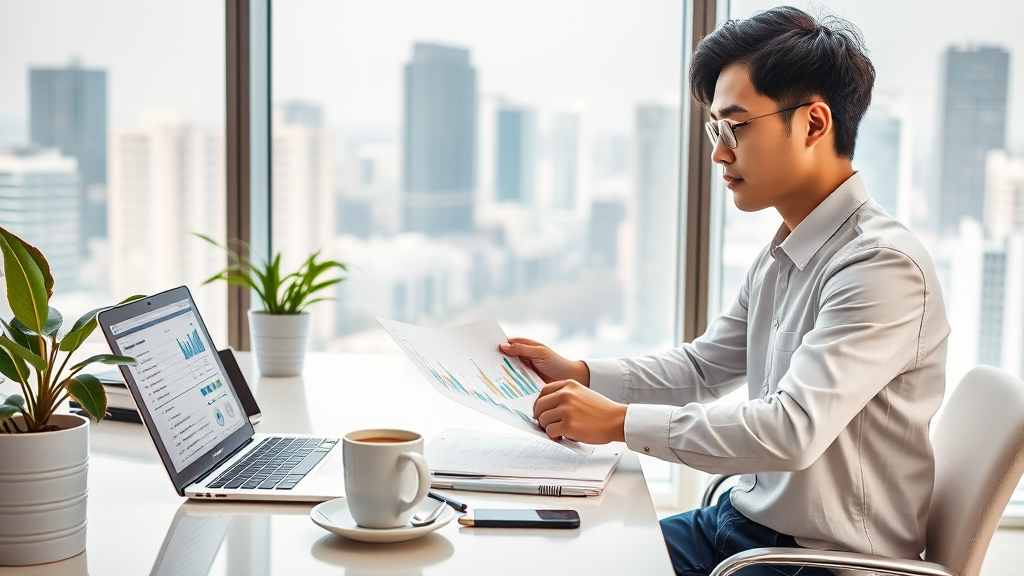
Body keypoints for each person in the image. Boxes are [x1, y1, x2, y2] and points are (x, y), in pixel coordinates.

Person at [500, 6, 950, 576]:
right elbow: (703, 367)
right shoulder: (786, 248)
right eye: (717, 128)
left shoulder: (880, 266)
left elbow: (791, 430)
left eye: (735, 127)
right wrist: (581, 373)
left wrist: (616, 421)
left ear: (814, 124)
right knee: (581, 557)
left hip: (821, 562)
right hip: (741, 526)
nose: (718, 152)